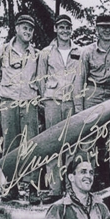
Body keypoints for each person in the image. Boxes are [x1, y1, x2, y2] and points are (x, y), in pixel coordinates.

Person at [0, 12, 40, 203]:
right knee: (11, 145)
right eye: (24, 28)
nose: (27, 32)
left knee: (31, 144)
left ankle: (32, 187)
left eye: (30, 29)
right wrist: (3, 89)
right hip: (9, 102)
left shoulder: (36, 54)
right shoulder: (2, 51)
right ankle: (10, 187)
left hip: (29, 102)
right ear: (17, 29)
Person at [37, 13, 84, 203]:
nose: (65, 31)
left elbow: (82, 77)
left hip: (72, 102)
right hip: (53, 102)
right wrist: (47, 97)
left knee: (71, 145)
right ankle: (54, 189)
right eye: (61, 27)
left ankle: (70, 188)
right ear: (55, 29)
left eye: (68, 27)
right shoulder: (46, 53)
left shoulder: (80, 52)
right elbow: (40, 79)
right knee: (52, 144)